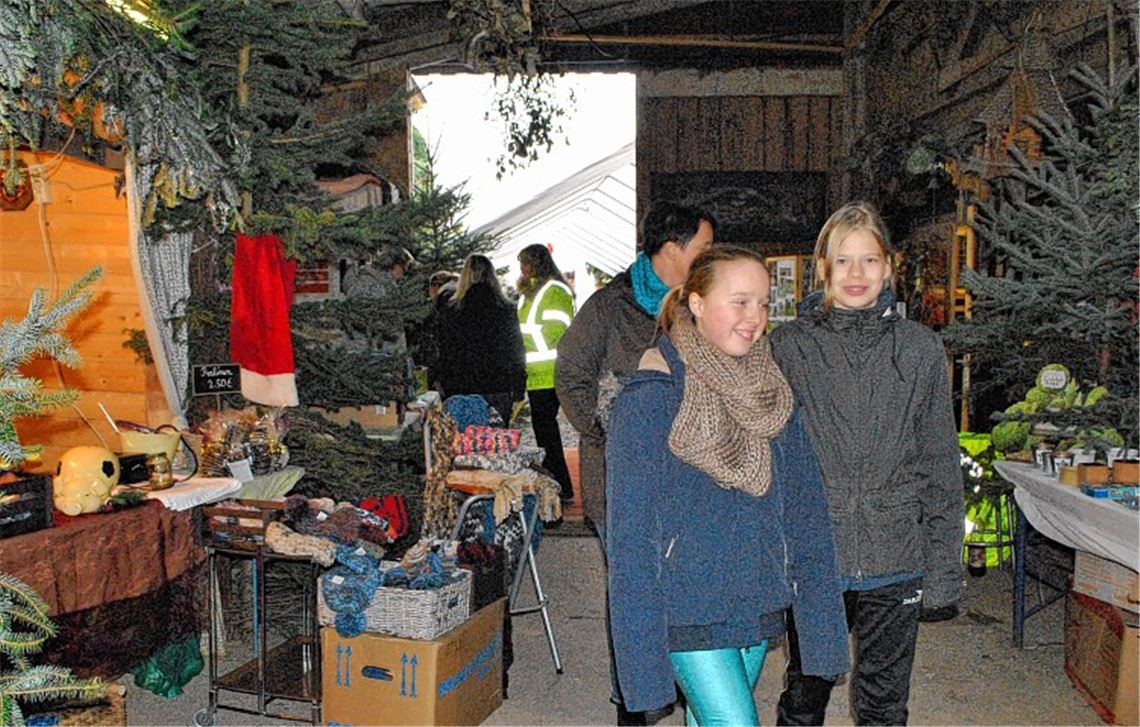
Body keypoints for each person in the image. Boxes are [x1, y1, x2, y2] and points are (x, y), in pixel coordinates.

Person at [607, 245, 849, 727]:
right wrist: (643, 670)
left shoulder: (773, 394)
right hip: (686, 609)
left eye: (762, 303)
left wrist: (821, 627)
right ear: (696, 303)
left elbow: (807, 514)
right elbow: (631, 544)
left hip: (756, 599)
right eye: (739, 301)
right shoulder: (650, 400)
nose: (754, 317)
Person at [770, 201, 964, 726]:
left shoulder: (920, 350)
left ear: (888, 267)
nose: (857, 275)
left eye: (870, 261)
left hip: (895, 555)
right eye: (844, 261)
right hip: (815, 556)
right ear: (823, 268)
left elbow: (940, 464)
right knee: (806, 695)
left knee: (883, 704)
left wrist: (944, 566)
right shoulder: (788, 347)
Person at [556, 201, 715, 725]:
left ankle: (690, 681)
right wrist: (612, 437)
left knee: (686, 585)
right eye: (702, 249)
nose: (709, 258)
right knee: (633, 590)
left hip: (688, 477)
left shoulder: (700, 307)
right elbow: (570, 378)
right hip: (620, 481)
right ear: (672, 251)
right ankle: (634, 700)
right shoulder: (606, 308)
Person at [431, 254, 526, 422]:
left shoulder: (452, 310)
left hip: (461, 385)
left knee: (464, 441)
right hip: (499, 383)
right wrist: (519, 384)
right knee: (496, 440)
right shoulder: (506, 309)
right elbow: (515, 349)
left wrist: (440, 379)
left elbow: (445, 348)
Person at [516, 244, 576, 501]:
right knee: (544, 432)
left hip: (549, 371)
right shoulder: (529, 292)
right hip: (536, 372)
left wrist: (520, 340)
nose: (522, 270)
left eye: (525, 264)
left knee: (547, 433)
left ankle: (560, 484)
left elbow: (557, 330)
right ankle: (555, 482)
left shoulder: (555, 291)